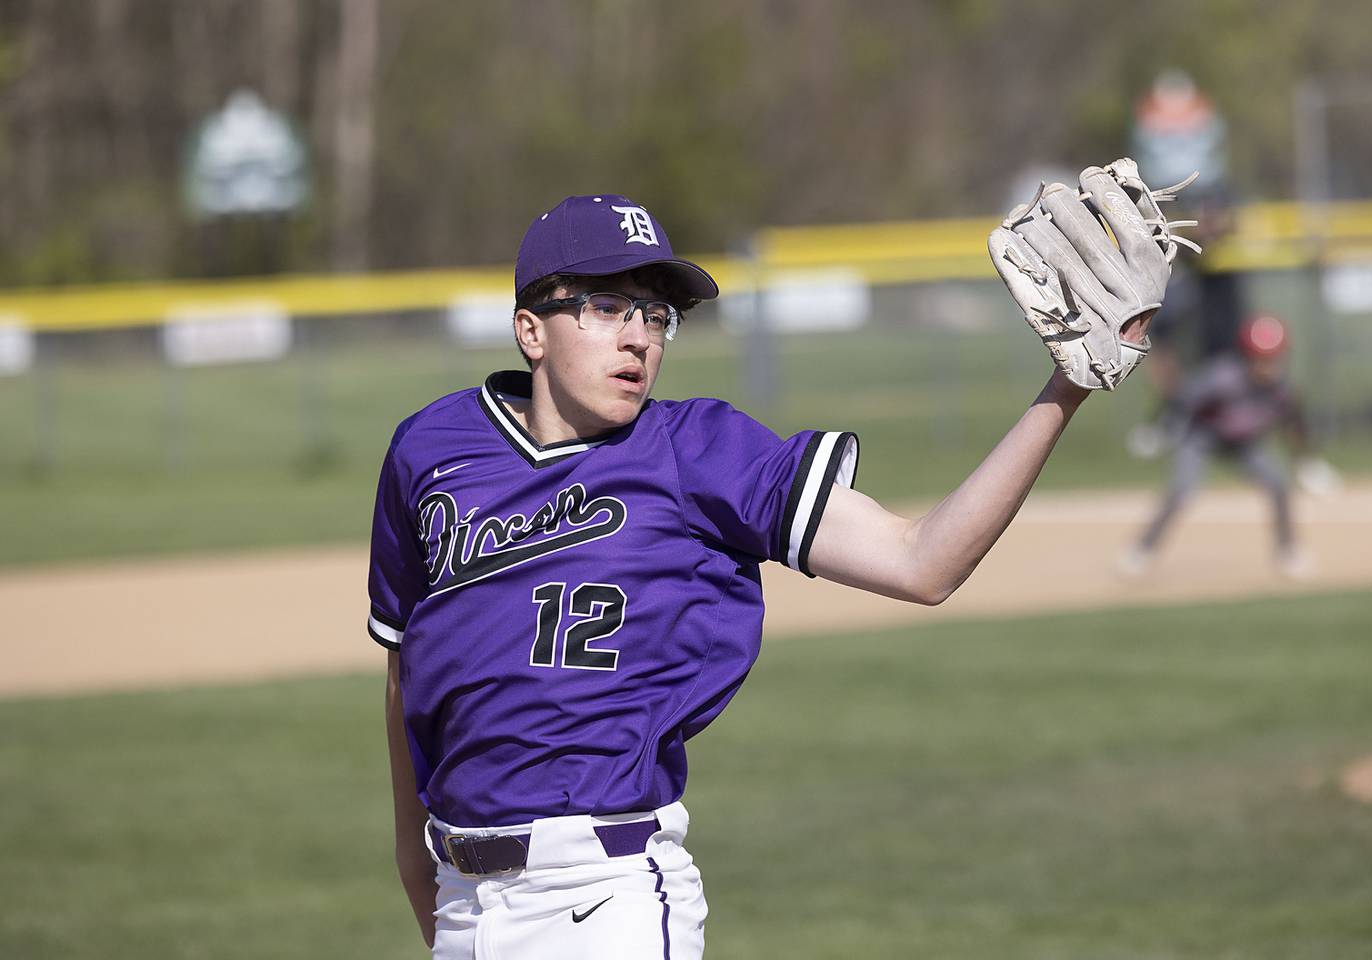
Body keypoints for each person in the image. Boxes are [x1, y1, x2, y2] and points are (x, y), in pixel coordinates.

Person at [368, 192, 1136, 958]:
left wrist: (1065, 387)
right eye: (608, 307)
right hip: (465, 901)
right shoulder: (430, 450)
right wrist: (420, 873)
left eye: (657, 315)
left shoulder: (699, 451)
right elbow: (408, 673)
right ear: (530, 329)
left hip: (605, 900)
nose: (638, 337)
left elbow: (922, 562)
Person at [1120, 313, 1338, 578]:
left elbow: (1293, 425)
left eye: (1274, 359)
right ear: (1246, 356)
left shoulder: (1282, 389)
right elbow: (1183, 400)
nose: (1268, 366)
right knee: (1182, 490)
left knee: (1279, 483)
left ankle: (1288, 552)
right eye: (1261, 359)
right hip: (1202, 437)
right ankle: (1142, 551)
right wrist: (1160, 430)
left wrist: (1306, 462)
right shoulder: (1222, 378)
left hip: (1243, 444)